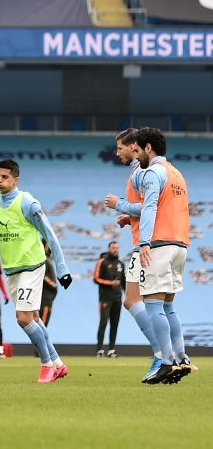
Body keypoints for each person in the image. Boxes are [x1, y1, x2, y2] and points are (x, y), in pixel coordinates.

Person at [0, 159, 73, 384]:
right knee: (33, 317)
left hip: (32, 265)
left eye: (4, 177)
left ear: (16, 180)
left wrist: (62, 269)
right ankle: (59, 364)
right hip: (11, 268)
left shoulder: (28, 203)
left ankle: (46, 365)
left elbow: (50, 235)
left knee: (23, 318)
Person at [128, 127, 192, 384]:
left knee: (153, 304)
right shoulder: (177, 173)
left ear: (148, 148)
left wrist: (144, 243)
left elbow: (150, 206)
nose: (137, 155)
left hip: (160, 244)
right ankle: (182, 357)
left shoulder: (153, 172)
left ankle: (166, 363)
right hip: (180, 244)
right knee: (168, 306)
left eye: (138, 149)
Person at [104, 127, 165, 380]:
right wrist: (129, 217)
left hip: (148, 244)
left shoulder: (144, 170)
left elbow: (150, 206)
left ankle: (163, 355)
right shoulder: (141, 169)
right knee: (161, 305)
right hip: (154, 241)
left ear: (134, 147)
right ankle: (175, 355)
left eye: (120, 148)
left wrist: (120, 204)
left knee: (135, 300)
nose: (117, 153)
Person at [93, 241, 125, 358]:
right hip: (105, 298)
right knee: (103, 322)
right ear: (109, 248)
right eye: (113, 247)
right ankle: (100, 349)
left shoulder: (121, 264)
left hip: (117, 298)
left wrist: (128, 296)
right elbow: (96, 278)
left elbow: (124, 283)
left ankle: (111, 350)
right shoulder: (103, 262)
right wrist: (110, 283)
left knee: (115, 324)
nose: (115, 250)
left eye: (117, 248)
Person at [40, 243, 58, 326]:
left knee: (41, 325)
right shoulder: (42, 261)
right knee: (42, 325)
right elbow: (42, 275)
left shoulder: (47, 260)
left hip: (46, 297)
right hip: (45, 297)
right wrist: (53, 285)